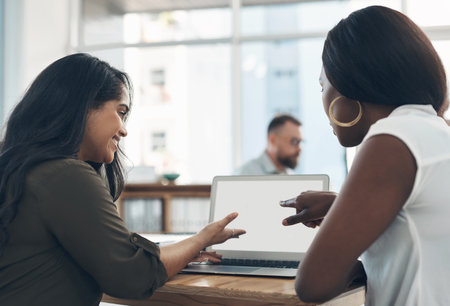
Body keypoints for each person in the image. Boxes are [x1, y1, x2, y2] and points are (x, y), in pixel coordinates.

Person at [0, 53, 246, 305]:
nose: (124, 129)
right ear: (82, 106)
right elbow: (132, 275)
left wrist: (185, 249)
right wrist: (201, 239)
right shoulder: (64, 174)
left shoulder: (19, 168)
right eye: (120, 111)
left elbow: (116, 256)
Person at [279, 6, 450, 305]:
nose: (323, 97)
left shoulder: (392, 139)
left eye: (323, 85)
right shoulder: (436, 130)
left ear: (350, 85)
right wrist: (340, 207)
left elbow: (312, 284)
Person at [234, 114, 302, 175]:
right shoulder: (245, 174)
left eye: (300, 142)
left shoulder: (289, 175)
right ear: (272, 140)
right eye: (294, 141)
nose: (299, 148)